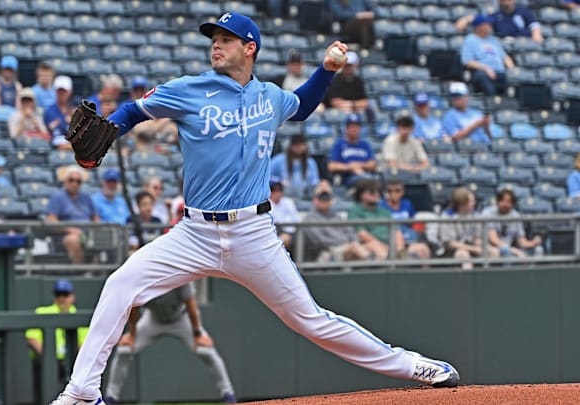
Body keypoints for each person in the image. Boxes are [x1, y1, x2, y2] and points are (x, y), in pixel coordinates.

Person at [51, 12, 458, 405]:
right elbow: (133, 111)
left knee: (310, 320)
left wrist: (326, 71)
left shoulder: (270, 96)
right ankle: (82, 392)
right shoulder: (189, 89)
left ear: (249, 48)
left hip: (253, 233)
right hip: (194, 233)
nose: (216, 46)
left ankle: (412, 365)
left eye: (225, 40)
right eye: (213, 40)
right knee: (121, 285)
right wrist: (109, 132)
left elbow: (302, 104)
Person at [104, 283, 237, 405]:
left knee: (206, 351)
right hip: (152, 320)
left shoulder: (179, 277)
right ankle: (111, 398)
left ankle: (229, 395)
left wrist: (197, 334)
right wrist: (132, 335)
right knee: (124, 350)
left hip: (181, 319)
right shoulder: (143, 279)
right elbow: (134, 308)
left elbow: (191, 305)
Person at [26, 279, 89, 405]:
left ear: (72, 296)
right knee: (44, 396)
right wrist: (51, 359)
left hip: (72, 363)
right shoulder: (42, 312)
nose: (62, 298)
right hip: (46, 363)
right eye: (58, 294)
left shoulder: (78, 315)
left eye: (65, 294)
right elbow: (32, 338)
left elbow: (84, 344)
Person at [348, 179, 430, 260]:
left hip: (391, 246)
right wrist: (384, 246)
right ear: (362, 195)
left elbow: (397, 232)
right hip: (370, 245)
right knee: (378, 248)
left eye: (378, 192)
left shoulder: (384, 211)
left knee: (423, 249)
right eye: (372, 192)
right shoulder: (355, 211)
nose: (376, 194)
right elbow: (363, 235)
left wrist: (399, 250)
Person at [45, 167, 100, 264]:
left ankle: (97, 272)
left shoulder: (86, 198)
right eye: (71, 180)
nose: (75, 183)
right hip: (65, 235)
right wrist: (71, 230)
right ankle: (81, 272)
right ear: (65, 181)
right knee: (73, 240)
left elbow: (95, 218)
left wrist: (96, 230)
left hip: (87, 233)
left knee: (104, 238)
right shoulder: (58, 197)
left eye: (78, 181)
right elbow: (51, 220)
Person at [303, 183, 368, 262]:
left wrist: (351, 243)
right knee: (354, 249)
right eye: (322, 196)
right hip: (324, 253)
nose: (325, 199)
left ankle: (374, 265)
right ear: (315, 199)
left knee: (369, 246)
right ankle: (373, 264)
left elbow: (352, 233)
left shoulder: (337, 217)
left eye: (327, 196)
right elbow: (320, 242)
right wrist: (346, 244)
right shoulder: (310, 219)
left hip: (345, 249)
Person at [436, 187, 499, 270]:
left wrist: (483, 247)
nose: (474, 203)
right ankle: (468, 282)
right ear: (462, 203)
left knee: (494, 252)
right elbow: (450, 244)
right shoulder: (447, 216)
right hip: (452, 251)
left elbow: (477, 239)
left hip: (471, 246)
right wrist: (474, 249)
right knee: (463, 255)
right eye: (471, 201)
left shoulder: (475, 215)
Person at [461, 14, 515, 96]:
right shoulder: (470, 39)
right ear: (479, 27)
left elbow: (505, 57)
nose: (490, 26)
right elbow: (467, 62)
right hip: (482, 73)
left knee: (513, 84)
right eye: (487, 24)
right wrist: (486, 69)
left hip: (500, 73)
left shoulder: (493, 40)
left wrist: (512, 70)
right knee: (483, 78)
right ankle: (492, 103)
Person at [482, 189, 543, 257]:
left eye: (509, 202)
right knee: (506, 252)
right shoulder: (488, 213)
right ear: (497, 201)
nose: (505, 204)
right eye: (503, 201)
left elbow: (521, 241)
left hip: (508, 250)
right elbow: (493, 239)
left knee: (537, 250)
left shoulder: (515, 216)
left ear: (513, 204)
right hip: (490, 248)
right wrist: (514, 250)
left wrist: (533, 242)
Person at [455, 0, 542, 43]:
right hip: (507, 44)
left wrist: (536, 34)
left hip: (525, 42)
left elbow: (534, 25)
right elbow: (481, 18)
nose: (505, 1)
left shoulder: (523, 12)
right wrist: (465, 19)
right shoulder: (496, 16)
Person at [327, 114, 377, 187]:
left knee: (377, 179)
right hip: (348, 177)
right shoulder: (339, 144)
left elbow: (373, 164)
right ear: (346, 129)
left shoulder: (365, 144)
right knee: (365, 180)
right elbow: (332, 166)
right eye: (352, 126)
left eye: (356, 126)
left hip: (365, 174)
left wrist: (359, 165)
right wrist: (350, 167)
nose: (354, 129)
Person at [379, 180, 422, 246]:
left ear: (402, 192)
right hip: (389, 233)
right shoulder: (381, 205)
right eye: (390, 191)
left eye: (397, 190)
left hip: (407, 232)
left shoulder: (407, 204)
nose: (394, 193)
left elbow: (413, 220)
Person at [268, 178, 300, 250]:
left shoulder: (288, 202)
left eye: (280, 190)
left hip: (292, 233)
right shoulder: (266, 204)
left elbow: (297, 220)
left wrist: (288, 234)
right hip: (275, 232)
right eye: (274, 190)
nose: (278, 193)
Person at [44, 75, 74, 150]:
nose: (61, 94)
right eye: (59, 91)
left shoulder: (74, 110)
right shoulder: (50, 111)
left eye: (64, 91)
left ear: (70, 91)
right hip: (56, 144)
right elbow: (54, 130)